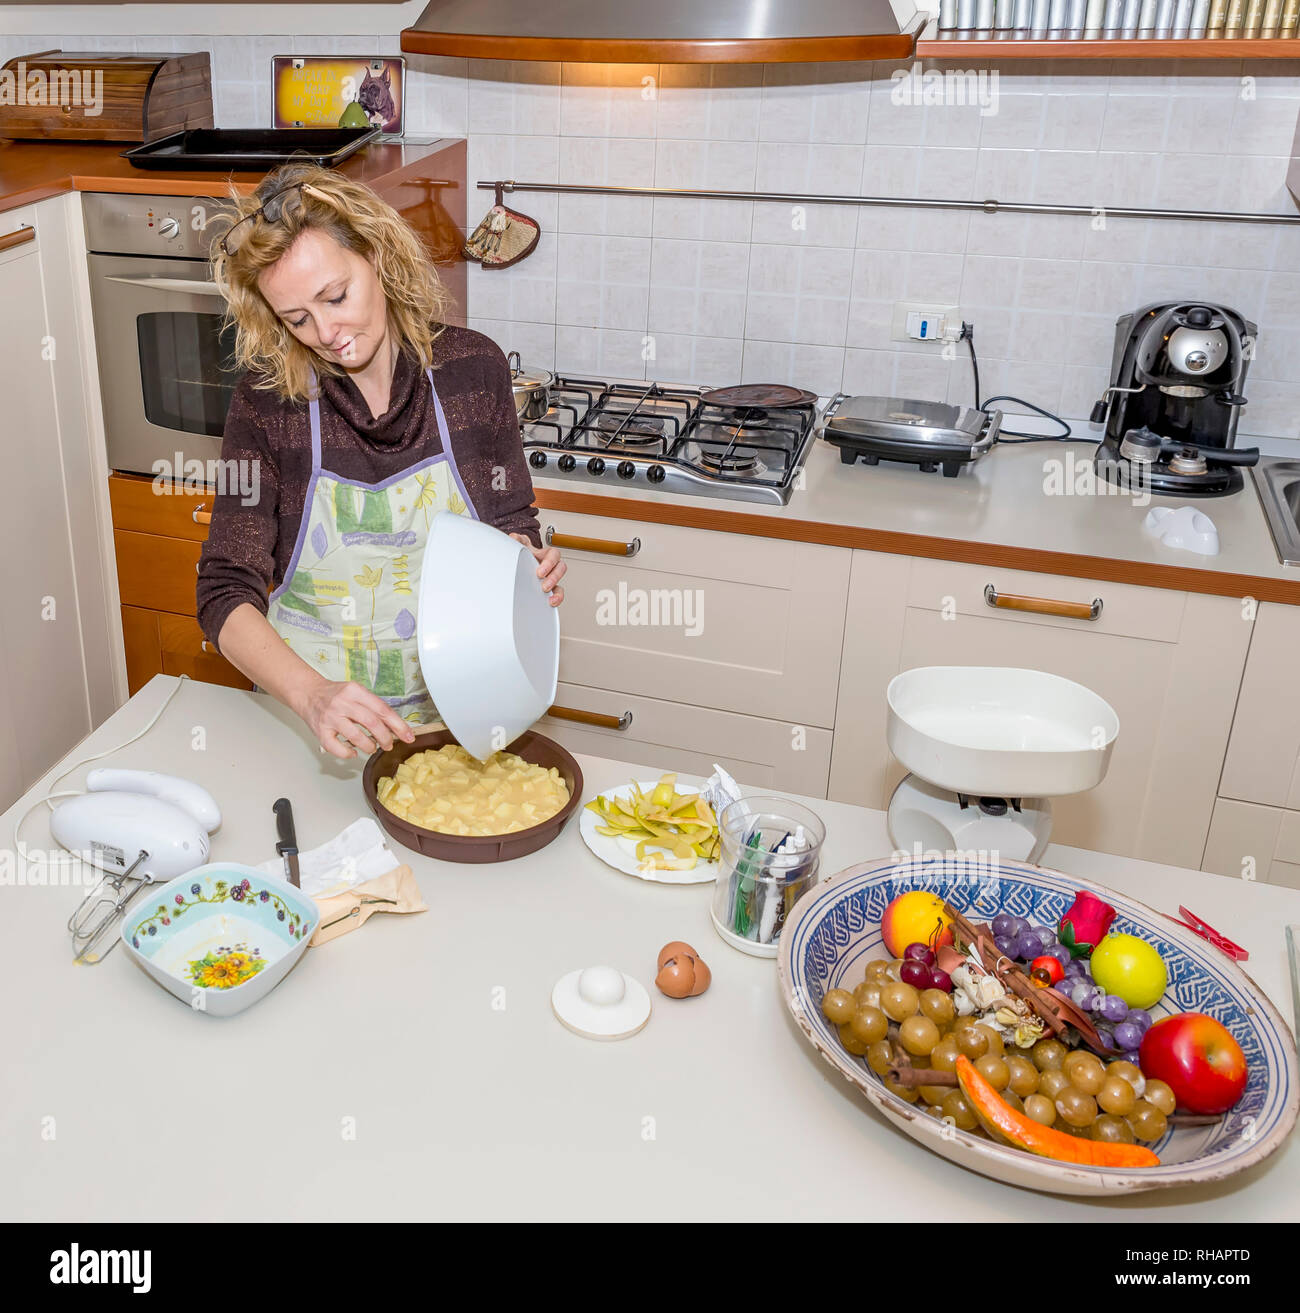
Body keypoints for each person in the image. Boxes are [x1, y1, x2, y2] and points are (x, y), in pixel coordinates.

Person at [197, 163, 564, 760]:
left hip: (458, 727)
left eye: (336, 296)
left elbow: (509, 518)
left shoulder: (474, 371)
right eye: (297, 319)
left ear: (378, 255)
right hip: (311, 730)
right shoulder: (268, 404)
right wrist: (313, 696)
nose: (327, 332)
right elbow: (223, 592)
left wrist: (524, 564)